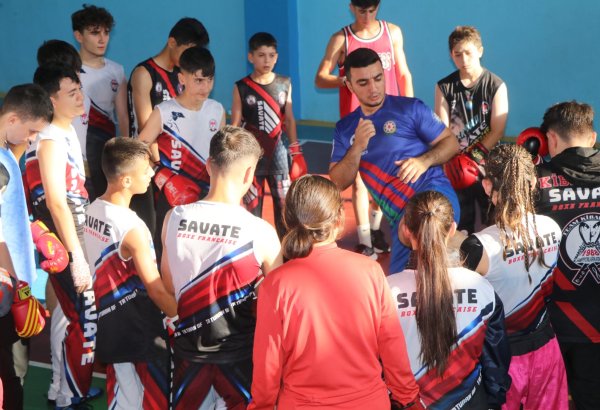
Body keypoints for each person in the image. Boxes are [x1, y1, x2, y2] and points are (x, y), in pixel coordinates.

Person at [249, 175, 424, 410]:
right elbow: (391, 344)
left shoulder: (276, 284)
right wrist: (408, 398)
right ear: (339, 220)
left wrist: (261, 406)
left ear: (287, 220)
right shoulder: (370, 271)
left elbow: (267, 362)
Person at [161, 126, 282, 409]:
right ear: (249, 174)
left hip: (188, 356)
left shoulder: (174, 218)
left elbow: (168, 285)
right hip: (239, 359)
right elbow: (278, 303)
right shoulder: (261, 231)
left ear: (208, 165)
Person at [329, 47, 460, 273]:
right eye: (363, 83)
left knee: (434, 250)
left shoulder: (410, 108)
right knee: (399, 287)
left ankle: (461, 251)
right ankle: (460, 248)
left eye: (378, 78)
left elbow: (451, 143)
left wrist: (424, 161)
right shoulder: (345, 129)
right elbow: (338, 182)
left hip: (433, 193)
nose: (373, 88)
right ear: (349, 85)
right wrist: (357, 147)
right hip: (400, 220)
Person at [461, 144, 568, 409]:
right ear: (532, 183)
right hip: (547, 350)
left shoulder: (477, 247)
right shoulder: (554, 229)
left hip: (501, 361)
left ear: (487, 186)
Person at [387, 191, 511, 409]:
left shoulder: (385, 291)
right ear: (452, 229)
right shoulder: (481, 287)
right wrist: (493, 402)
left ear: (406, 230)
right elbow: (495, 360)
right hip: (472, 402)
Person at [25, 64, 100, 410]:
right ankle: (70, 396)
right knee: (85, 314)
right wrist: (77, 255)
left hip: (72, 228)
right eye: (72, 93)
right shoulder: (51, 139)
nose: (81, 97)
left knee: (68, 314)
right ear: (52, 100)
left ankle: (61, 387)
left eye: (79, 89)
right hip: (67, 233)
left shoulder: (63, 132)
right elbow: (56, 202)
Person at [84, 137, 176, 409]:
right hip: (142, 330)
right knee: (154, 399)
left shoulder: (92, 210)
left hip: (110, 325)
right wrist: (181, 317)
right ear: (125, 180)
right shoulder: (132, 228)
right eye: (146, 169)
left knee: (122, 396)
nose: (151, 174)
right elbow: (155, 288)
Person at [316, 0, 413, 257]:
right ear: (352, 7)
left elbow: (404, 74)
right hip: (357, 119)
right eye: (362, 11)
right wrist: (347, 80)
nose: (367, 15)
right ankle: (364, 240)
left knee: (386, 176)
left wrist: (409, 111)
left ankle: (374, 228)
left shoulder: (392, 32)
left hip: (389, 119)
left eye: (372, 10)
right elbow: (320, 77)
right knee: (359, 180)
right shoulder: (342, 39)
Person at [534, 101, 600, 410]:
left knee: (552, 401)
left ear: (551, 139)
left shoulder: (534, 181)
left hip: (551, 323)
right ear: (593, 138)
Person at [139, 46, 224, 264]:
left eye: (209, 80)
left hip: (208, 194)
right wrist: (162, 176)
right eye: (198, 80)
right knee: (169, 253)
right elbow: (138, 148)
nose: (205, 87)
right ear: (182, 78)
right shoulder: (164, 111)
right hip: (171, 197)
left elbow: (223, 153)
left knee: (206, 254)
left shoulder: (217, 110)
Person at [127, 17, 209, 238]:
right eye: (188, 50)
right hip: (149, 167)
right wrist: (161, 172)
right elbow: (146, 129)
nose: (191, 58)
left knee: (182, 234)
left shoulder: (183, 75)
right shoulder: (145, 73)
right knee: (152, 233)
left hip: (178, 168)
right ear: (172, 42)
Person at [0, 83, 53, 410]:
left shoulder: (7, 155)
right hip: (7, 285)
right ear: (13, 119)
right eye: (31, 130)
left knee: (14, 372)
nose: (32, 139)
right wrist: (17, 286)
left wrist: (34, 230)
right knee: (9, 376)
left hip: (13, 282)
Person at [231, 32, 306, 239]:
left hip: (279, 156)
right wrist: (232, 156)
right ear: (251, 57)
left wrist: (296, 152)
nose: (267, 60)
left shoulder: (284, 83)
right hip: (252, 157)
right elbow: (235, 124)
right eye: (261, 55)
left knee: (284, 207)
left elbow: (289, 119)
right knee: (252, 207)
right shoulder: (241, 87)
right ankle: (252, 247)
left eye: (271, 55)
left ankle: (285, 249)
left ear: (277, 57)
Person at [435, 26, 508, 234]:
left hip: (488, 163)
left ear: (480, 51)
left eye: (468, 53)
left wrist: (474, 157)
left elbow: (498, 129)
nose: (464, 59)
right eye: (458, 54)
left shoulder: (496, 85)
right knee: (461, 224)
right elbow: (442, 129)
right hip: (457, 166)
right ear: (451, 55)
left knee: (494, 221)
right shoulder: (444, 87)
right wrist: (455, 160)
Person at [72, 5, 128, 200]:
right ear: (79, 36)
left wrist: (126, 154)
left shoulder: (116, 70)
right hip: (74, 151)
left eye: (106, 32)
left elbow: (123, 116)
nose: (102, 39)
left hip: (105, 150)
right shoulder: (68, 70)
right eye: (95, 33)